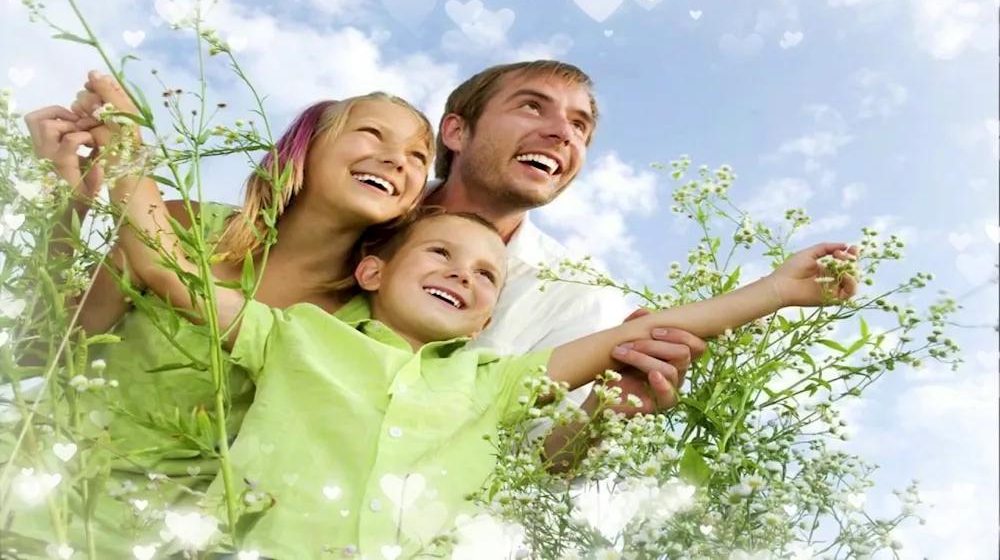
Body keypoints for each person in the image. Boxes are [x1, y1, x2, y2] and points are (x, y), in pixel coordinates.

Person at [87, 66, 858, 557]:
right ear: (371, 269)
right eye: (533, 106)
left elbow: (627, 341)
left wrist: (778, 290)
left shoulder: (497, 370)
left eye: (489, 275)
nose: (464, 279)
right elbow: (165, 265)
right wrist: (124, 154)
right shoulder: (300, 331)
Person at [3, 73, 435, 557]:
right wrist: (71, 202)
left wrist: (128, 148)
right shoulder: (185, 223)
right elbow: (43, 353)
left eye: (418, 157)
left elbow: (161, 264)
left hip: (131, 541)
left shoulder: (357, 327)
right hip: (22, 488)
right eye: (372, 133)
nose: (397, 159)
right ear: (305, 148)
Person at [420, 60, 708, 466]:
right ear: (456, 131)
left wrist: (601, 413)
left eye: (580, 127)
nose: (562, 134)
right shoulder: (359, 210)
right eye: (532, 107)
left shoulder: (577, 295)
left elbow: (537, 467)